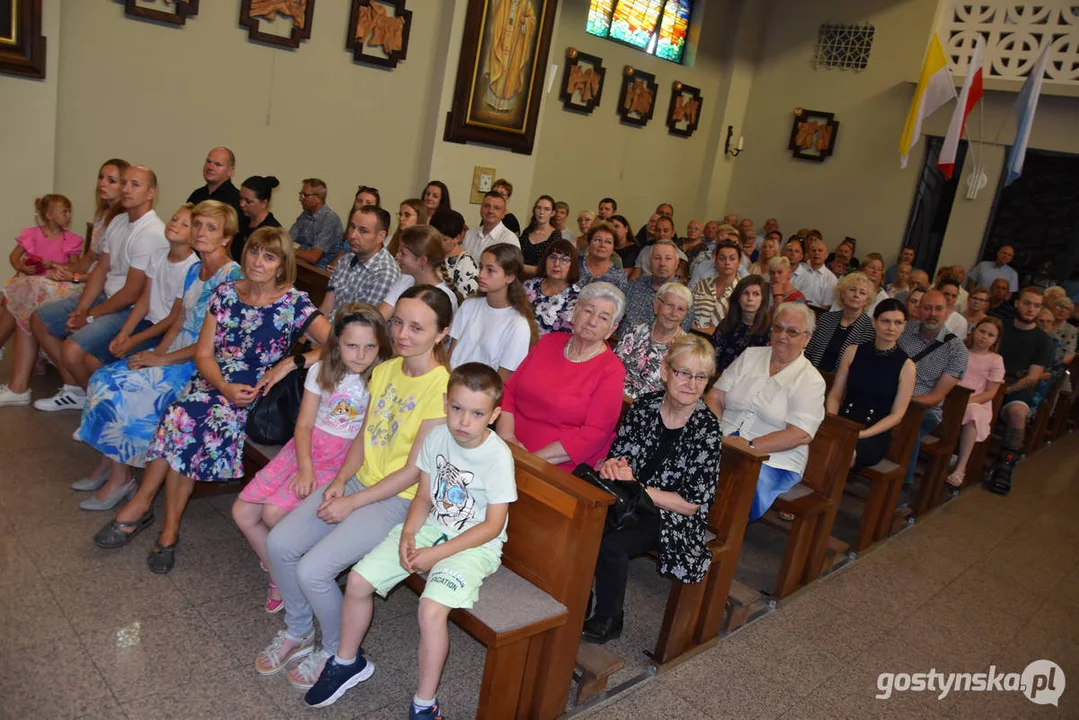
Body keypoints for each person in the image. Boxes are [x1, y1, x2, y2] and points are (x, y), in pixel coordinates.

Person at [92, 227, 332, 575]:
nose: (257, 262)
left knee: (183, 417)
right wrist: (222, 386)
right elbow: (205, 354)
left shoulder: (293, 302)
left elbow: (339, 345)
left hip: (256, 394)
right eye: (253, 252)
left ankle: (151, 514)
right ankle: (161, 523)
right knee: (182, 416)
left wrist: (291, 362)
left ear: (282, 265)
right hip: (215, 382)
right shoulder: (225, 293)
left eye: (269, 256)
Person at [257, 285, 452, 689]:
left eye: (417, 327)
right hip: (358, 481)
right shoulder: (384, 370)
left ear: (441, 334)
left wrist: (353, 501)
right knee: (279, 543)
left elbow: (416, 470)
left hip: (396, 499)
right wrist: (341, 482)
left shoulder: (440, 388)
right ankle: (298, 629)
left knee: (313, 569)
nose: (401, 334)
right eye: (397, 322)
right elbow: (365, 436)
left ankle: (334, 651)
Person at [303, 363, 516, 713]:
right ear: (445, 403)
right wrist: (409, 532)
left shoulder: (497, 457)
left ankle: (424, 704)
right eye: (457, 408)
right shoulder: (437, 438)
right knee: (357, 581)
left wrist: (438, 554)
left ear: (494, 415)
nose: (463, 421)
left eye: (477, 413)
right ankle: (347, 661)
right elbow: (423, 496)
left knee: (431, 610)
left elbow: (493, 526)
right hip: (432, 527)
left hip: (475, 545)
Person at [73, 202, 243, 510]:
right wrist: (155, 355)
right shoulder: (194, 268)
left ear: (226, 238)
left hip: (201, 365)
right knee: (105, 377)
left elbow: (216, 342)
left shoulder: (231, 278)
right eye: (199, 224)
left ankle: (119, 479)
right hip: (176, 349)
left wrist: (162, 362)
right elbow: (178, 320)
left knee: (127, 392)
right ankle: (111, 465)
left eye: (211, 228)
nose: (201, 232)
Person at [234, 304, 392, 614]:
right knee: (242, 512)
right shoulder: (321, 370)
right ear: (336, 344)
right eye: (351, 346)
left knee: (273, 514)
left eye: (369, 347)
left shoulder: (380, 379)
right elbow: (304, 424)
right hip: (305, 451)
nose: (360, 355)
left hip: (342, 459)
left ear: (380, 347)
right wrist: (305, 467)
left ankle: (294, 580)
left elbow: (366, 438)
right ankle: (281, 576)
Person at [582, 335, 723, 644]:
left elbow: (691, 504)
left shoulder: (707, 430)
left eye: (700, 377)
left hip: (670, 515)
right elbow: (619, 456)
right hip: (629, 498)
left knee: (612, 544)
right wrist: (612, 467)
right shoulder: (646, 405)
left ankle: (610, 618)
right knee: (583, 523)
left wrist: (638, 487)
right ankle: (579, 601)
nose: (690, 383)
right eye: (683, 373)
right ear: (665, 371)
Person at [30, 166, 168, 411]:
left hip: (131, 309)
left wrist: (90, 316)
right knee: (39, 320)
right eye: (124, 183)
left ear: (151, 193)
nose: (126, 189)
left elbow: (131, 293)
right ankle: (74, 390)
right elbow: (101, 269)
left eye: (135, 184)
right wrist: (82, 307)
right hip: (106, 296)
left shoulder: (152, 232)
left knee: (72, 350)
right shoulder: (118, 220)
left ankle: (96, 409)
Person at [63, 203, 200, 433]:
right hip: (147, 322)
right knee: (89, 360)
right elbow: (144, 300)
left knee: (99, 364)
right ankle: (98, 416)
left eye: (185, 224)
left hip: (165, 333)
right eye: (175, 219)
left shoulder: (191, 267)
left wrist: (133, 341)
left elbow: (172, 320)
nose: (175, 224)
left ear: (194, 235)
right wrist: (125, 332)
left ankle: (109, 422)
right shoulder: (159, 255)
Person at [706, 303, 826, 521]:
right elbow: (716, 396)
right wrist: (715, 430)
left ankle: (718, 531)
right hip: (725, 437)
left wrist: (752, 446)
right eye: (777, 328)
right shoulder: (751, 356)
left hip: (773, 459)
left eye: (792, 331)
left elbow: (800, 433)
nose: (782, 336)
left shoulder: (811, 380)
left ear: (807, 338)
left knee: (741, 480)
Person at [497, 282, 626, 471]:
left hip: (554, 466)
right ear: (574, 313)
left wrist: (529, 461)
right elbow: (509, 391)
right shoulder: (549, 342)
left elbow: (595, 433)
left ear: (612, 329)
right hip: (507, 447)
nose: (592, 321)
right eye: (588, 311)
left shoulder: (612, 370)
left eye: (603, 317)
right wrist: (507, 439)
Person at [0, 194, 84, 406]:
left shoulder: (70, 240)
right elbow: (14, 257)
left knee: (25, 299)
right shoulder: (32, 235)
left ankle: (22, 363)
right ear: (49, 215)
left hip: (55, 284)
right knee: (17, 296)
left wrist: (55, 266)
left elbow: (75, 267)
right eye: (64, 212)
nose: (68, 216)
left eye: (69, 212)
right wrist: (21, 266)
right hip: (32, 281)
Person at [826, 299, 916, 470]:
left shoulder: (906, 366)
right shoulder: (853, 351)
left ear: (904, 326)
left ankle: (828, 495)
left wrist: (863, 434)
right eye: (885, 321)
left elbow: (897, 415)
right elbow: (836, 393)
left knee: (842, 452)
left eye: (898, 323)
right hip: (843, 420)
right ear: (874, 322)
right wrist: (832, 421)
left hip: (874, 432)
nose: (891, 328)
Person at [896, 289, 969, 499]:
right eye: (927, 308)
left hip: (924, 408)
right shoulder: (904, 330)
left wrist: (903, 404)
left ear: (948, 312)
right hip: (890, 397)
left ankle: (903, 485)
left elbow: (937, 396)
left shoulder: (956, 350)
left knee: (910, 424)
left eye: (938, 309)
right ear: (919, 310)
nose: (932, 313)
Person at [987, 287, 1053, 495]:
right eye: (1027, 303)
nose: (1031, 309)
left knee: (1018, 414)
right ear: (1017, 303)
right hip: (987, 380)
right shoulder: (1000, 327)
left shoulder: (1043, 340)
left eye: (1036, 305)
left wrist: (1004, 391)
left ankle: (1005, 466)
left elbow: (1032, 377)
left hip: (1015, 388)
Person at [450, 243, 536, 378]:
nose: (481, 274)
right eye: (480, 267)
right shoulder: (468, 306)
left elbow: (503, 379)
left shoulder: (517, 324)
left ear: (510, 277)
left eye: (490, 270)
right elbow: (451, 355)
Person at [946, 318, 1005, 487]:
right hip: (951, 396)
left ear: (996, 339)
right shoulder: (959, 350)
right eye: (982, 331)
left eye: (990, 335)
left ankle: (961, 466)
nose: (984, 337)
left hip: (977, 401)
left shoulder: (995, 360)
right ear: (974, 331)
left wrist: (965, 401)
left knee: (972, 413)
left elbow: (990, 393)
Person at [320, 206, 399, 318]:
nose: (352, 235)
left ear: (381, 236)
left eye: (363, 231)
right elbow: (326, 308)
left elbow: (363, 326)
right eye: (352, 227)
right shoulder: (345, 260)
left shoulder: (385, 273)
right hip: (329, 329)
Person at [616, 282, 691, 400]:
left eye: (680, 309)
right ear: (656, 305)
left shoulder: (686, 349)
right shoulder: (635, 330)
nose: (673, 313)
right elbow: (613, 366)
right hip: (613, 397)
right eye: (669, 305)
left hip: (648, 411)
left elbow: (678, 393)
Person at [380, 226, 458, 320]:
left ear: (422, 260)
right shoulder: (405, 280)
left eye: (403, 253)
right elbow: (381, 318)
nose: (397, 257)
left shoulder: (444, 297)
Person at [805, 272, 876, 373]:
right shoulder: (826, 319)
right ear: (842, 294)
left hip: (844, 384)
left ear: (867, 300)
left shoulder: (870, 329)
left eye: (862, 293)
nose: (856, 295)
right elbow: (809, 352)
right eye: (852, 290)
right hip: (812, 375)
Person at [712, 275, 771, 374]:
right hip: (719, 379)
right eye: (746, 293)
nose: (750, 298)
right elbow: (712, 357)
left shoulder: (769, 330)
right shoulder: (726, 324)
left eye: (756, 294)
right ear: (738, 298)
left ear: (762, 299)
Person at [523, 239, 580, 336]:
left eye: (564, 259)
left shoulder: (576, 298)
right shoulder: (529, 286)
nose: (557, 264)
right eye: (552, 257)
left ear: (572, 265)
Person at [621, 240, 681, 332]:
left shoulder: (683, 297)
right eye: (657, 258)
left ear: (677, 263)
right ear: (649, 262)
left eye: (668, 258)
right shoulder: (633, 286)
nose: (662, 263)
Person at [290, 178, 344, 270]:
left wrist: (286, 251)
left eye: (304, 195)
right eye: (300, 194)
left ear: (318, 198)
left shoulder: (330, 219)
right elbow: (287, 239)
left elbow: (313, 257)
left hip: (319, 273)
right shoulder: (305, 215)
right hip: (301, 266)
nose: (300, 199)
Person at [690, 240, 742, 335]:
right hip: (695, 338)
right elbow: (688, 312)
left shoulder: (742, 289)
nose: (727, 262)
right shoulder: (702, 285)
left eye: (732, 259)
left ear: (739, 262)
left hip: (726, 342)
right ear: (716, 261)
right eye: (722, 258)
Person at [232, 175, 282, 262]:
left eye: (248, 201)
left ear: (264, 203)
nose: (242, 204)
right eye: (241, 198)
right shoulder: (241, 220)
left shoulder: (272, 231)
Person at [186, 147, 242, 223]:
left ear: (230, 171)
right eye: (208, 161)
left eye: (218, 164)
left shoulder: (237, 200)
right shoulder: (197, 195)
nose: (210, 167)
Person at [431, 209, 478, 300]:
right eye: (433, 238)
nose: (436, 243)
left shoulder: (465, 263)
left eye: (443, 240)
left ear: (457, 238)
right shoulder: (430, 254)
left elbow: (468, 301)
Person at [462, 191, 518, 260]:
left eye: (496, 208)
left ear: (504, 214)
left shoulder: (509, 239)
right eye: (487, 206)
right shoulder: (470, 234)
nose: (490, 211)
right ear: (481, 209)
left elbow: (511, 269)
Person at [578, 221, 629, 292]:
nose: (602, 245)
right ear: (589, 243)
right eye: (598, 240)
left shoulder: (619, 276)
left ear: (613, 248)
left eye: (608, 242)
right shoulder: (575, 264)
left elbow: (621, 301)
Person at [518, 194, 561, 276]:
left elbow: (550, 268)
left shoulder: (555, 236)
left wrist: (520, 266)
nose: (541, 212)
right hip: (519, 278)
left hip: (540, 281)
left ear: (552, 213)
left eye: (546, 209)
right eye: (538, 208)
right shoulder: (527, 231)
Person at [635, 216, 688, 281]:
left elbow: (680, 284)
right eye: (658, 230)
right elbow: (635, 276)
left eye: (665, 231)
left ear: (673, 233)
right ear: (654, 232)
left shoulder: (681, 257)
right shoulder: (644, 251)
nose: (661, 234)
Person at [796, 237, 838, 309]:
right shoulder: (799, 269)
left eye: (820, 251)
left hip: (817, 314)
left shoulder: (831, 278)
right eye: (813, 250)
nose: (816, 253)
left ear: (826, 255)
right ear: (808, 253)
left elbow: (826, 307)